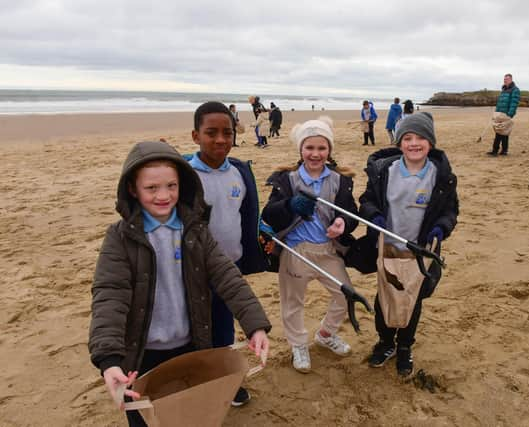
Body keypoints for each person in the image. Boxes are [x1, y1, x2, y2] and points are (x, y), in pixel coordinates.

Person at [88, 140, 271, 426]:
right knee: (144, 418)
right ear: (132, 190)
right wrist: (109, 360)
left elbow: (227, 276)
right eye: (151, 188)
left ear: (182, 185)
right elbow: (110, 295)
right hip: (142, 353)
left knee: (192, 413)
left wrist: (255, 325)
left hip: (191, 345)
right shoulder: (119, 238)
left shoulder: (196, 231)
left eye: (171, 186)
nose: (163, 195)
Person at [359, 112, 458, 377]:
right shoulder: (385, 171)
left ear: (431, 143)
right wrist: (374, 217)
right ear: (399, 142)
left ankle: (404, 346)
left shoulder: (441, 175)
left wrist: (441, 228)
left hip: (420, 253)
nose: (414, 143)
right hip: (387, 249)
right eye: (408, 138)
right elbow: (366, 200)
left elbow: (450, 211)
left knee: (412, 301)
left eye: (421, 138)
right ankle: (385, 342)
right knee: (385, 299)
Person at [261, 116, 359, 373]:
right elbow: (269, 214)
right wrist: (289, 205)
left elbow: (350, 213)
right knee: (293, 302)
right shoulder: (287, 180)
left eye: (322, 148)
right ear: (301, 149)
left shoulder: (340, 180)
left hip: (328, 250)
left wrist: (343, 224)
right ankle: (298, 345)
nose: (315, 154)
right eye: (310, 148)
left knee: (344, 294)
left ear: (329, 150)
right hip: (296, 251)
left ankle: (326, 334)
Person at [189, 101, 268, 406]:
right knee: (194, 329)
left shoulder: (239, 173)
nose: (221, 139)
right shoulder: (184, 174)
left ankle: (225, 382)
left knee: (223, 328)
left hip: (230, 267)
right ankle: (195, 380)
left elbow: (246, 215)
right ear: (196, 136)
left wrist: (263, 234)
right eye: (211, 133)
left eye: (228, 132)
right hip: (194, 271)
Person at [487, 73, 520, 156]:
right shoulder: (504, 89)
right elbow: (499, 102)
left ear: (511, 80)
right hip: (499, 113)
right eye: (504, 79)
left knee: (501, 132)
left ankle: (496, 150)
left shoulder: (515, 90)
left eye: (507, 79)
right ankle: (504, 150)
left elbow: (514, 102)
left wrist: (510, 114)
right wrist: (496, 112)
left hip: (506, 114)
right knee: (501, 131)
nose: (505, 80)